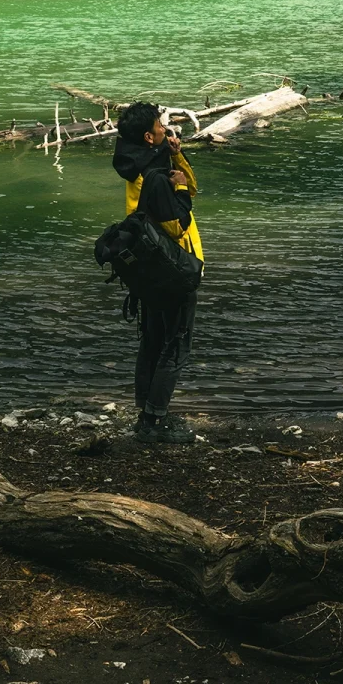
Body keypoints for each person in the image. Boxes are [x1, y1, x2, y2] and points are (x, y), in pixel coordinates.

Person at [112, 101, 203, 445]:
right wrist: (178, 187)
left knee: (152, 341)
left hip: (147, 270)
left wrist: (176, 156)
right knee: (176, 344)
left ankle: (145, 413)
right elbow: (177, 225)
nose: (168, 130)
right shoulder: (154, 175)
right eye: (161, 127)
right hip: (171, 269)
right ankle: (156, 421)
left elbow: (189, 185)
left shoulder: (140, 162)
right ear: (149, 137)